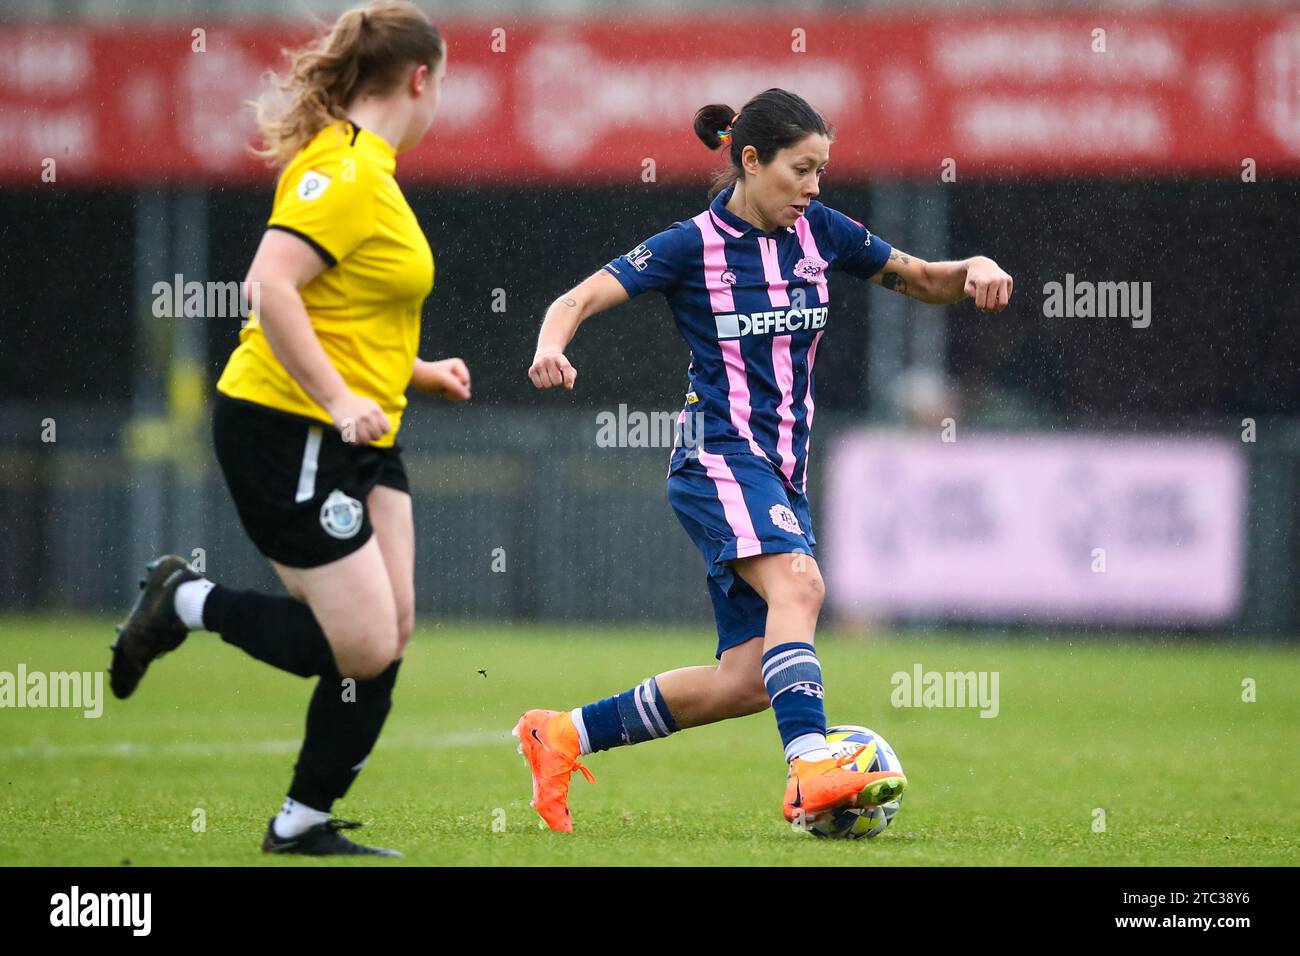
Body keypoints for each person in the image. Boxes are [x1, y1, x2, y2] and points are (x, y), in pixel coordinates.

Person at [516, 88, 1013, 832]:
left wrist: (971, 265)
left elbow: (921, 278)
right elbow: (577, 298)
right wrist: (550, 347)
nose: (814, 188)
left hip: (780, 470)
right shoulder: (690, 246)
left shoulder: (825, 233)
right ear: (751, 161)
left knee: (745, 681)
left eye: (821, 172)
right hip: (716, 454)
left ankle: (561, 736)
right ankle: (810, 766)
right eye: (801, 170)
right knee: (802, 586)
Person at [108, 1, 469, 857]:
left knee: (390, 635)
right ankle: (181, 600)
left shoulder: (369, 168)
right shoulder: (343, 169)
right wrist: (342, 399)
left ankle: (303, 822)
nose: (439, 100)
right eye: (441, 84)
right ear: (420, 79)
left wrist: (413, 372)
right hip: (289, 426)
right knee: (362, 644)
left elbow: (341, 306)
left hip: (359, 433)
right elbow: (269, 287)